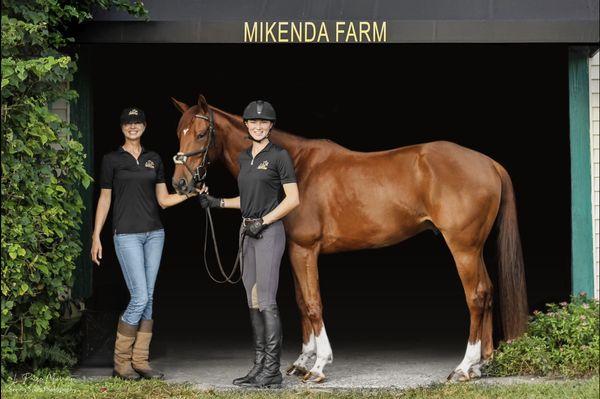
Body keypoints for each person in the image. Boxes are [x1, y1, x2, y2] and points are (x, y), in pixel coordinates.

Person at [198, 100, 300, 388]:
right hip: (247, 231)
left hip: (268, 233)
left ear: (271, 126)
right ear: (246, 125)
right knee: (253, 302)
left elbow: (293, 199)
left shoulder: (279, 156)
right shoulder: (244, 158)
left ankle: (272, 369)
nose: (258, 126)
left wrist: (264, 222)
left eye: (263, 122)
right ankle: (258, 366)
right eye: (253, 122)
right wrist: (216, 202)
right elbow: (248, 201)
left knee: (267, 301)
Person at [91, 107, 197, 380]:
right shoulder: (112, 159)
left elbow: (163, 200)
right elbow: (105, 199)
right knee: (139, 297)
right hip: (126, 234)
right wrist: (96, 236)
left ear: (145, 126)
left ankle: (140, 361)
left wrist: (190, 194)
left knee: (149, 299)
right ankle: (121, 362)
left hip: (154, 234)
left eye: (137, 122)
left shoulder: (154, 159)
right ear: (122, 127)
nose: (132, 126)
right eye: (128, 123)